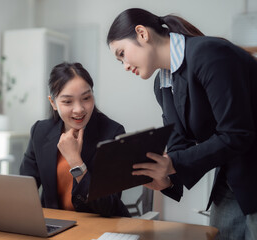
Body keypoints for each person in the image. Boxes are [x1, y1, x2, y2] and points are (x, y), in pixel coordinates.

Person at [106, 8, 257, 239]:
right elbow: (179, 145)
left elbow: (237, 134)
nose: (125, 65)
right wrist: (164, 179)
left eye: (122, 54)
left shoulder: (210, 54)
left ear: (142, 34)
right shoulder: (163, 85)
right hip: (234, 177)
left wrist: (171, 163)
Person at [20, 62, 131, 217]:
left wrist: (75, 161)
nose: (79, 109)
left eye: (86, 98)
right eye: (67, 101)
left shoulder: (112, 133)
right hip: (55, 225)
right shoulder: (40, 131)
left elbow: (109, 205)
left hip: (100, 226)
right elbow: (24, 189)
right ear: (53, 103)